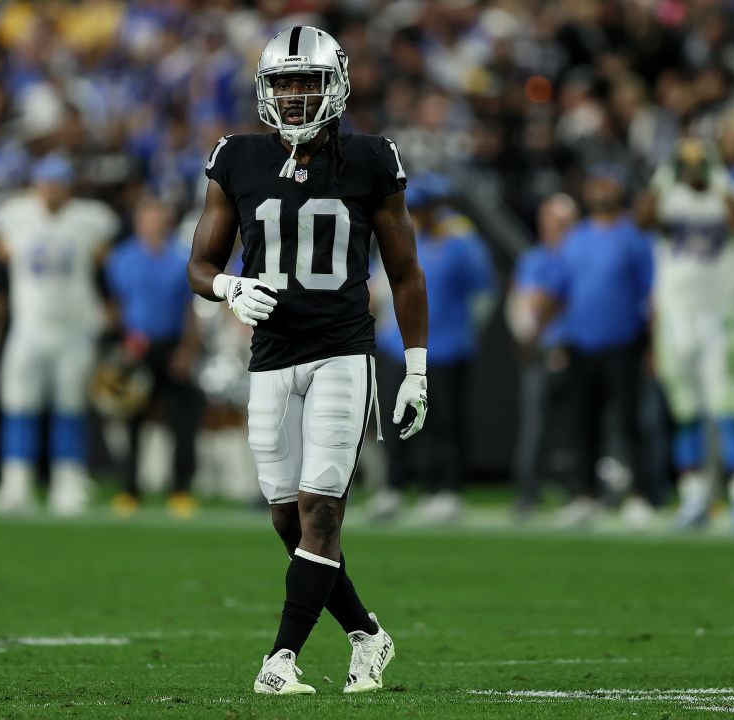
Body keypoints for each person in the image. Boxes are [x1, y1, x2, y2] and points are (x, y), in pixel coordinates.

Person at [187, 27, 427, 695]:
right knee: (287, 517)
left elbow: (405, 272)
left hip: (343, 353)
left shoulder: (373, 160)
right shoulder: (235, 158)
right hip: (270, 357)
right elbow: (200, 265)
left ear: (337, 84)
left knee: (323, 509)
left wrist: (416, 365)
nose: (295, 96)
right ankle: (367, 634)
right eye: (283, 82)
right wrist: (230, 286)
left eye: (308, 81)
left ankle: (280, 659)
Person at [636, 138, 734, 529]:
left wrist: (719, 182)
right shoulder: (669, 198)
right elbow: (642, 220)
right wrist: (661, 181)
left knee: (727, 408)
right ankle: (693, 497)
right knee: (685, 410)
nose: (693, 171)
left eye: (699, 164)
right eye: (686, 164)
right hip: (676, 317)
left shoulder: (728, 195)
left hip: (717, 316)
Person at [0, 154, 119, 516]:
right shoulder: (15, 215)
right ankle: (16, 484)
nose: (52, 190)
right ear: (36, 184)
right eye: (47, 182)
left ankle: (69, 483)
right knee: (18, 404)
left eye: (59, 182)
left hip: (74, 328)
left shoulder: (89, 218)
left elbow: (104, 258)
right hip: (28, 328)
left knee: (70, 406)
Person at [371, 173, 496, 524]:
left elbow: (483, 295)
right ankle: (393, 488)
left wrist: (467, 333)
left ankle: (446, 490)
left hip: (447, 346)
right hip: (399, 345)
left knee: (446, 422)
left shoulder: (463, 244)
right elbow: (379, 290)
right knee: (398, 420)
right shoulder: (396, 238)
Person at [549, 164, 657, 527]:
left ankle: (641, 494)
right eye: (596, 185)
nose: (601, 191)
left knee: (629, 421)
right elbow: (562, 293)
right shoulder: (575, 237)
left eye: (607, 184)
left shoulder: (634, 237)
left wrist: (654, 345)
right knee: (583, 424)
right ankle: (585, 495)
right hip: (581, 342)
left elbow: (652, 295)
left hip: (623, 340)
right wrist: (556, 337)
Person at [106, 198, 204, 518]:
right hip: (136, 347)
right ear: (138, 222)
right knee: (131, 420)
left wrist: (187, 350)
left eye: (159, 218)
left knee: (182, 420)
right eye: (148, 218)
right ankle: (130, 489)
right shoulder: (122, 258)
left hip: (171, 345)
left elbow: (191, 310)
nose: (154, 224)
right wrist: (121, 341)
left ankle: (180, 490)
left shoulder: (180, 258)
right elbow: (116, 305)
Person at [509, 193, 578, 516]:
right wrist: (530, 340)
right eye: (551, 222)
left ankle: (579, 491)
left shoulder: (581, 255)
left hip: (579, 349)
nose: (555, 229)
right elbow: (524, 305)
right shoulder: (534, 259)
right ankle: (528, 493)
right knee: (535, 426)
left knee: (580, 425)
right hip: (543, 348)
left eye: (562, 223)